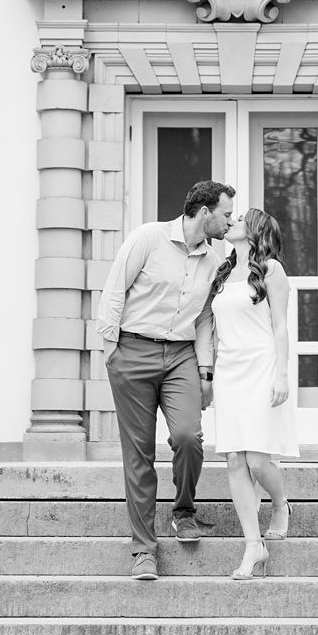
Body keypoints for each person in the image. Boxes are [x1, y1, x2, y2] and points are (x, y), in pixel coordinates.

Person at [96, 178, 235, 580]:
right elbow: (114, 291)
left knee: (189, 437)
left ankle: (184, 510)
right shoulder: (148, 238)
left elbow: (206, 318)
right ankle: (144, 551)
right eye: (225, 214)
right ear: (205, 212)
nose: (230, 222)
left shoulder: (215, 259)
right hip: (132, 352)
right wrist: (111, 351)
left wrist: (206, 371)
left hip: (181, 357)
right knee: (138, 453)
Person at [205, 206, 297, 579]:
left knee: (259, 461)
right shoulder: (222, 271)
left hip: (262, 369)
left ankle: (280, 504)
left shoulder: (272, 270)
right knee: (233, 461)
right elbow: (212, 329)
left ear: (255, 230)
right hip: (229, 372)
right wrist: (208, 375)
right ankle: (253, 546)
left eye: (239, 219)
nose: (232, 222)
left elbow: (280, 327)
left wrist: (283, 375)